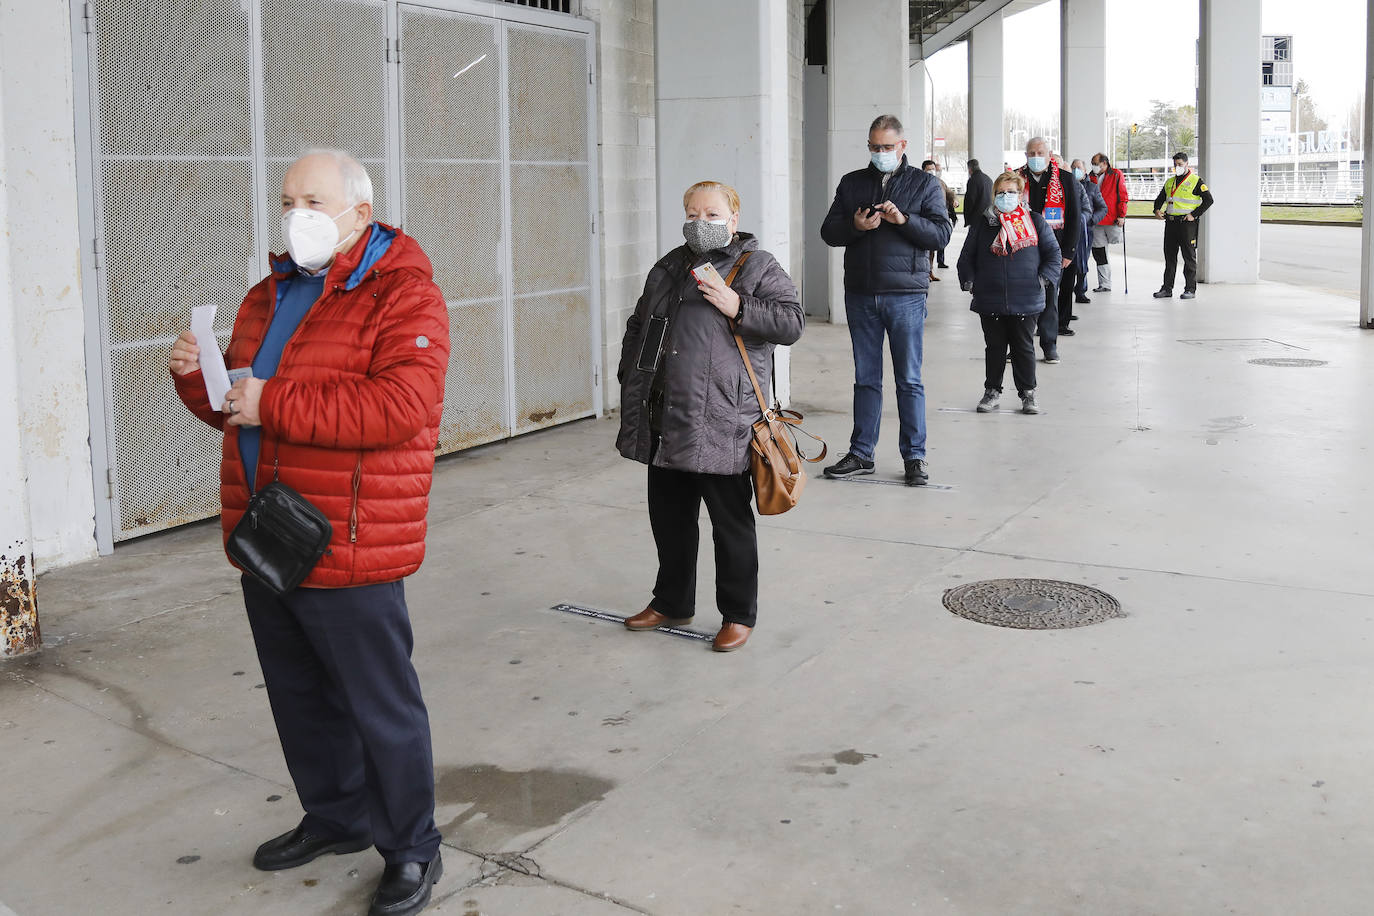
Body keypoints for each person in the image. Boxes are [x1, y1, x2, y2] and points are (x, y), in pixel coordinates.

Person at [169, 149, 448, 916]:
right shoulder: (269, 293)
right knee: (299, 695)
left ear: (360, 213)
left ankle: (413, 850)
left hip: (349, 536)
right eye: (289, 199)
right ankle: (336, 816)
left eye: (315, 200)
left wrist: (273, 404)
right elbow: (239, 406)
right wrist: (200, 379)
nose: (299, 213)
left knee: (378, 706)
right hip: (268, 533)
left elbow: (401, 408)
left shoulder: (405, 295)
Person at [616, 180, 803, 653]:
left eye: (713, 215)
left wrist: (738, 305)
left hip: (723, 418)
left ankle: (738, 614)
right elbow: (640, 322)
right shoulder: (669, 266)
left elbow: (791, 322)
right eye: (693, 214)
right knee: (670, 520)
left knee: (730, 524)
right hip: (666, 416)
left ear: (734, 219)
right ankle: (672, 601)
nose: (701, 223)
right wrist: (629, 371)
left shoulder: (756, 267)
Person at [819, 115, 952, 485]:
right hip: (861, 293)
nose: (880, 153)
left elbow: (941, 234)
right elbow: (829, 231)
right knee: (866, 378)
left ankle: (914, 456)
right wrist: (856, 227)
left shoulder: (924, 184)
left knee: (909, 379)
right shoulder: (852, 183)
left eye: (887, 147)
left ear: (903, 146)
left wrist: (903, 220)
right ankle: (862, 452)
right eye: (874, 147)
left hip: (906, 296)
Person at [957, 171, 1061, 415]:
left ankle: (1028, 393)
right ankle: (992, 391)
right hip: (989, 296)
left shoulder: (1034, 220)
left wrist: (1043, 280)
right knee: (994, 347)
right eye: (1001, 192)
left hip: (1026, 297)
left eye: (1011, 192)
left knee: (1023, 347)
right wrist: (970, 281)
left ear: (1021, 194)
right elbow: (966, 257)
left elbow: (1053, 254)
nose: (1006, 197)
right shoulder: (982, 224)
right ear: (994, 195)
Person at [1017, 137, 1079, 364]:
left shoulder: (1065, 179)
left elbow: (1074, 218)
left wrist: (1068, 252)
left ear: (1049, 153)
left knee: (1050, 298)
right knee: (1020, 301)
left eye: (1040, 152)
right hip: (1022, 249)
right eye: (1031, 153)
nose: (1035, 157)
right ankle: (1017, 346)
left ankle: (1049, 345)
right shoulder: (1016, 179)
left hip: (1053, 250)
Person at [1152, 151, 1214, 300]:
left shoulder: (1196, 181)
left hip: (1187, 225)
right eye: (1175, 165)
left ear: (1187, 164)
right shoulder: (1170, 182)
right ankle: (1167, 288)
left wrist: (1194, 214)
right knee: (1170, 258)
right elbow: (1159, 199)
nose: (1177, 167)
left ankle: (1190, 289)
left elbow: (1208, 200)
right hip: (1171, 223)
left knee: (1189, 258)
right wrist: (1156, 210)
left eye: (1180, 164)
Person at [1088, 152, 1129, 292]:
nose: (1093, 166)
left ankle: (1106, 282)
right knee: (1099, 252)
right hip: (1096, 220)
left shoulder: (1116, 174)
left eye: (1096, 164)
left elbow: (1123, 196)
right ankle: (1104, 284)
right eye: (1092, 164)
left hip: (1112, 219)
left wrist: (1122, 215)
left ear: (1104, 163)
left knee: (1110, 247)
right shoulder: (1090, 176)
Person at [1071, 158, 1108, 306]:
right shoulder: (1066, 184)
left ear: (1085, 170)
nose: (1075, 170)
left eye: (1079, 167)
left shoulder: (1092, 187)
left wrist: (1091, 220)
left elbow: (1103, 208)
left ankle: (1081, 291)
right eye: (1073, 167)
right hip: (1069, 230)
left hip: (1086, 230)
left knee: (1082, 261)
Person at [921, 159, 959, 272]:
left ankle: (931, 270)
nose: (932, 171)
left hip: (939, 216)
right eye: (929, 169)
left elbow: (949, 193)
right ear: (923, 170)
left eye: (933, 169)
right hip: (925, 218)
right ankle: (926, 271)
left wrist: (954, 201)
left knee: (937, 244)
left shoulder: (940, 181)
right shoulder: (919, 182)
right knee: (926, 247)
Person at [962, 158, 993, 228]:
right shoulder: (988, 179)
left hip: (976, 218)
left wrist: (967, 219)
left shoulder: (973, 180)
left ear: (969, 168)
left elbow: (970, 200)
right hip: (988, 215)